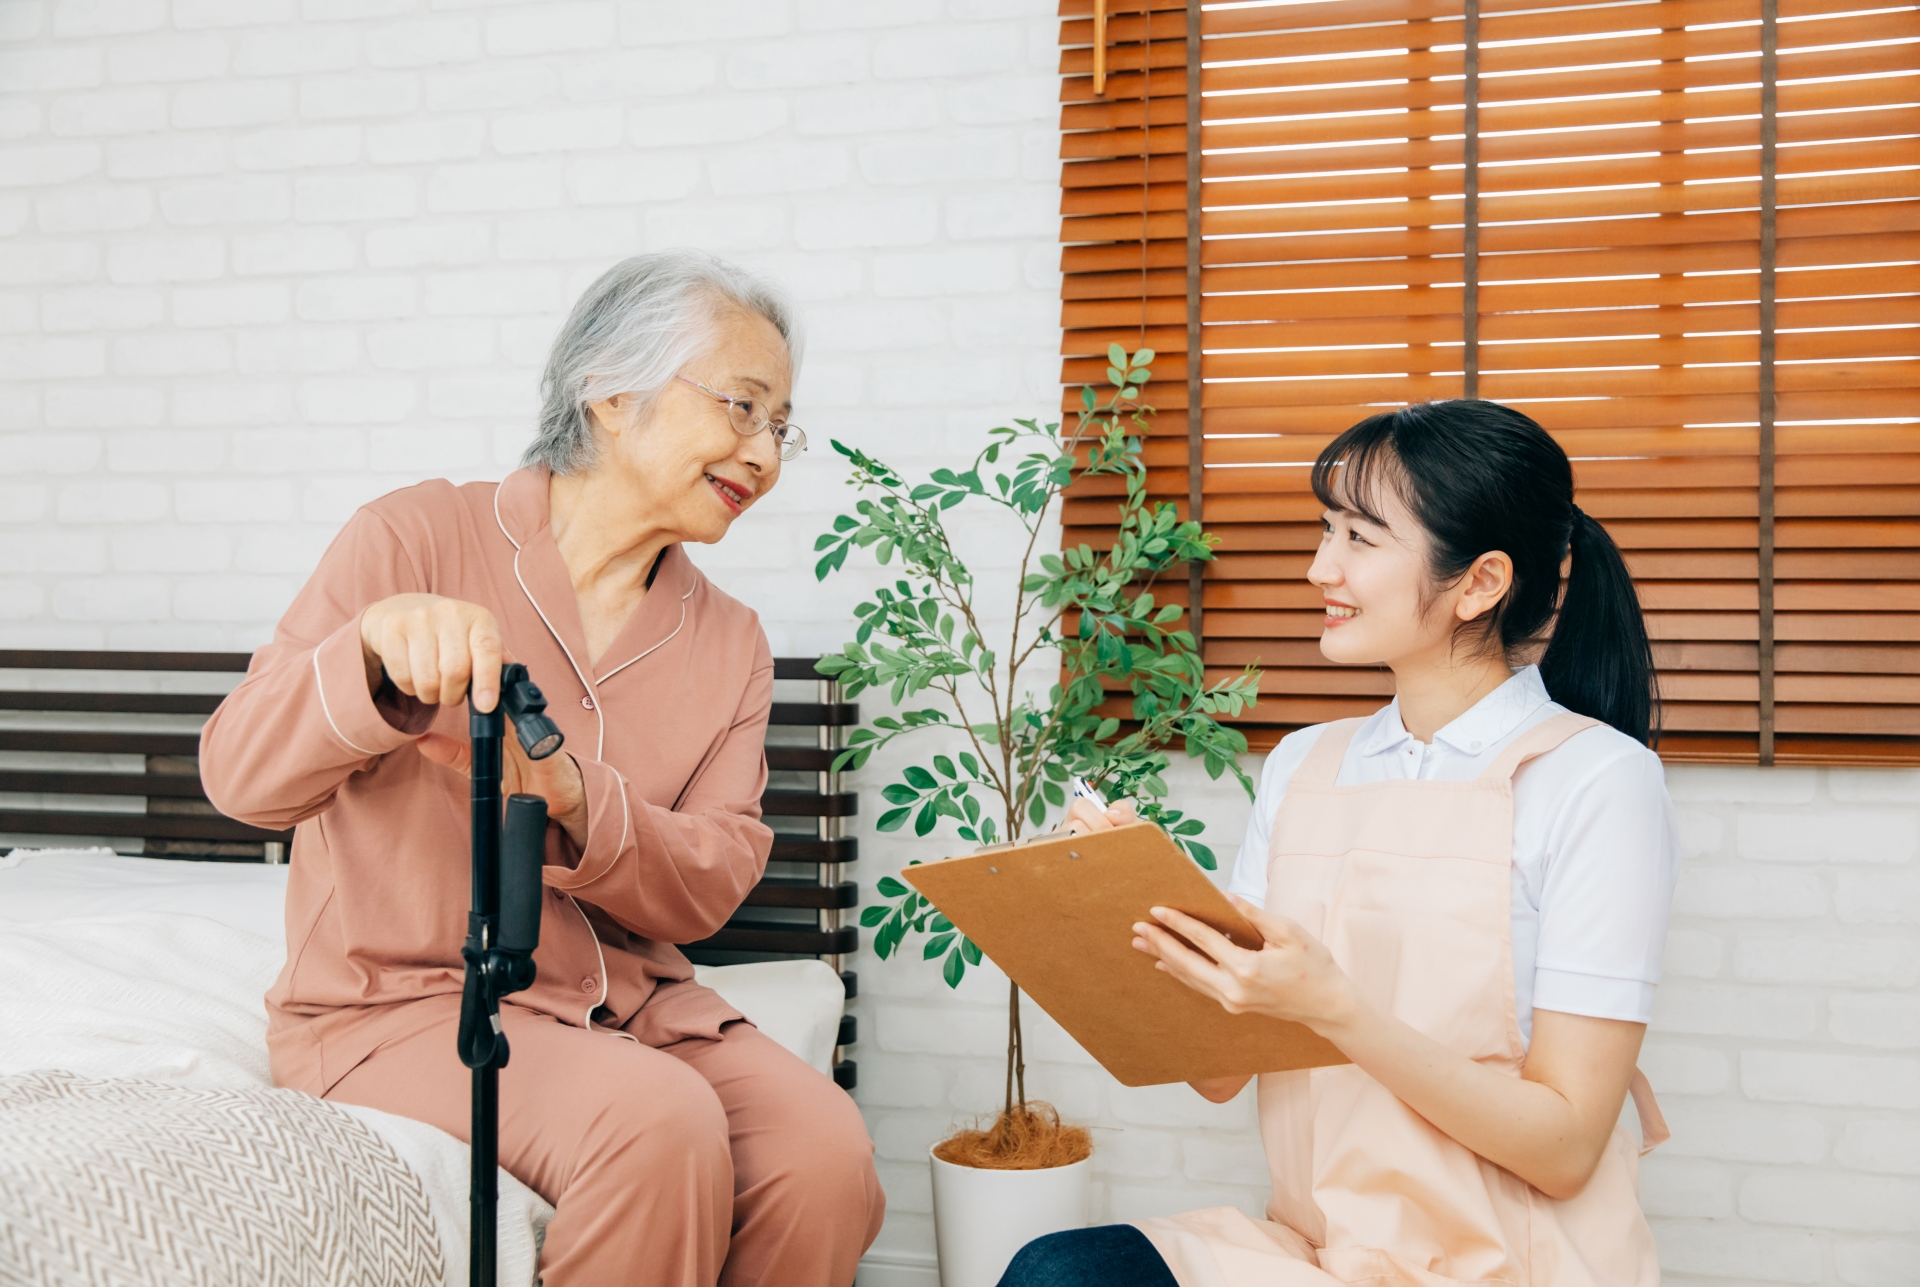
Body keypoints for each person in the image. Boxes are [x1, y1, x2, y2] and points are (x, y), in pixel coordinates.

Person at [200, 251, 884, 1287]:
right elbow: (241, 777)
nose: (765, 453)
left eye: (779, 427)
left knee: (825, 1154)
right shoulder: (414, 538)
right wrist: (371, 660)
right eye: (743, 408)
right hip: (406, 1007)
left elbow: (712, 876)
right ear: (614, 392)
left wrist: (579, 804)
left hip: (640, 1010)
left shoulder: (733, 640)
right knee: (657, 1128)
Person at [1007, 400, 1678, 1286]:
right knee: (1057, 1272)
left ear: (1478, 583)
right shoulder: (1304, 764)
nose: (1321, 566)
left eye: (1362, 539)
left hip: (1507, 1262)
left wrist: (1334, 1007)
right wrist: (1135, 901)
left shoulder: (1596, 779)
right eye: (1328, 531)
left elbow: (1564, 1148)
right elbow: (1219, 1075)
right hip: (1317, 1250)